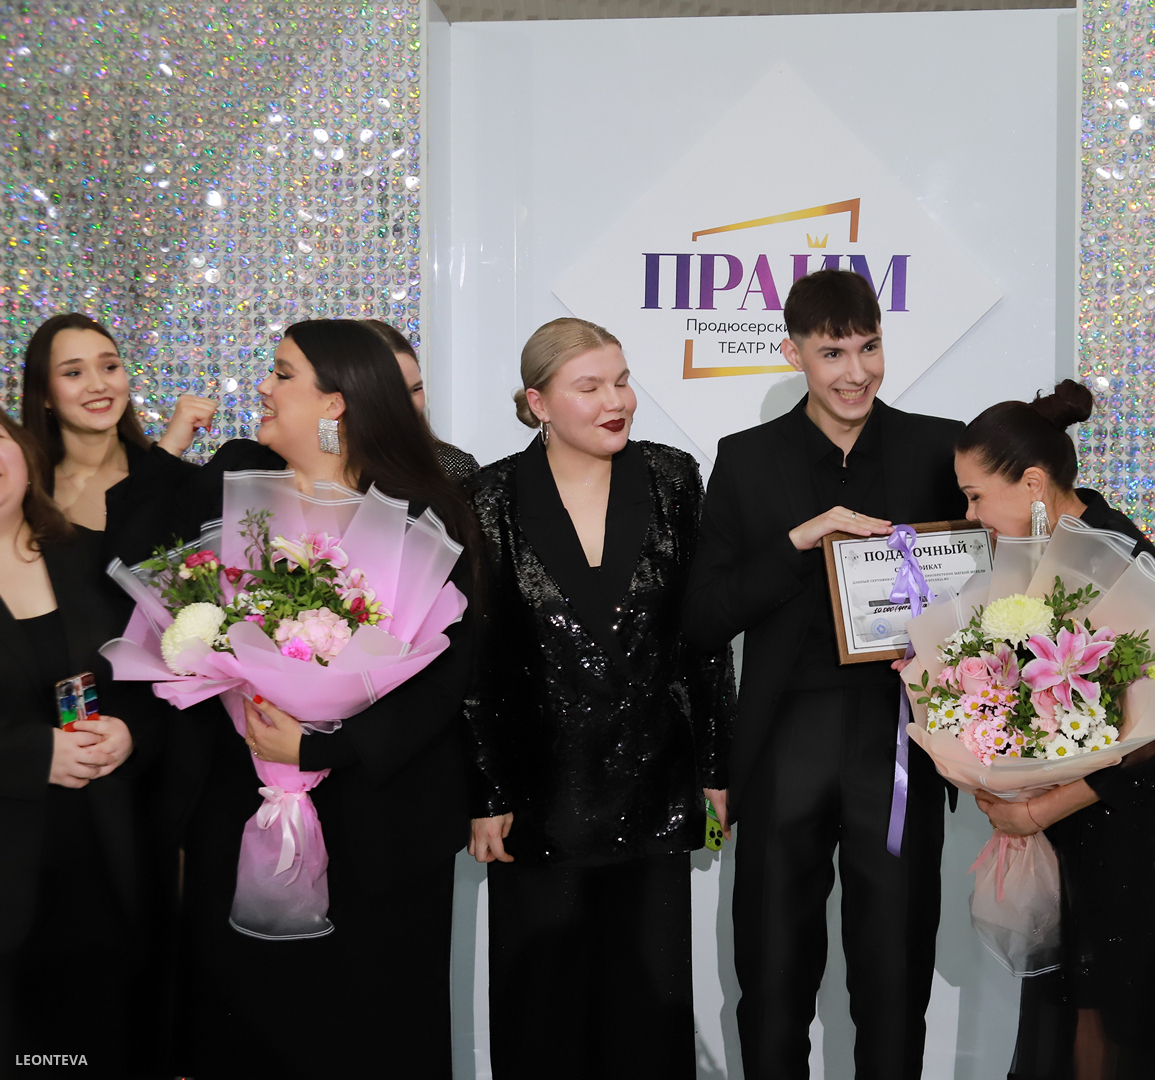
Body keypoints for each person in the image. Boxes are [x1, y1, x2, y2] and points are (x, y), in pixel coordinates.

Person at [122, 319, 480, 1079]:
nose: (263, 387)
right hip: (238, 803)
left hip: (380, 820)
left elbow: (451, 673)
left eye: (282, 373)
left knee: (372, 1031)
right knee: (248, 1027)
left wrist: (320, 746)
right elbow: (142, 571)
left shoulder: (428, 508)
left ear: (335, 402)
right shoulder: (230, 488)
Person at [682, 269, 965, 1080]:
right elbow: (702, 619)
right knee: (772, 973)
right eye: (832, 352)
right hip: (784, 740)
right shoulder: (746, 461)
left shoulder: (938, 449)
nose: (856, 372)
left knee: (895, 970)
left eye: (869, 347)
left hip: (900, 741)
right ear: (793, 353)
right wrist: (796, 545)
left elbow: (989, 581)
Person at [462, 316, 734, 1079]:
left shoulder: (673, 477)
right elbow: (477, 659)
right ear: (538, 402)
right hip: (540, 793)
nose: (617, 401)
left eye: (621, 380)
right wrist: (486, 792)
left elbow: (702, 638)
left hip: (656, 782)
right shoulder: (489, 496)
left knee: (647, 1012)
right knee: (542, 1012)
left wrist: (717, 768)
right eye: (590, 387)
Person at [955, 383, 1155, 1080]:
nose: (970, 516)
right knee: (1079, 1012)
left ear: (1031, 484)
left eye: (974, 496)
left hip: (1132, 826)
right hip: (1081, 828)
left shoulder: (1109, 555)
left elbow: (1153, 734)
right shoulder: (1045, 547)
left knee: (1120, 1021)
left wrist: (1036, 810)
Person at [0, 410, 162, 1077]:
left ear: (22, 449)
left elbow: (157, 680)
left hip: (107, 858)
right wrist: (33, 756)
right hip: (11, 880)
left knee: (106, 1045)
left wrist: (129, 732)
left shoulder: (91, 555)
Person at [19, 311, 212, 565]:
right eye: (74, 373)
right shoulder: (22, 497)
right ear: (43, 394)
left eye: (109, 367)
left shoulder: (184, 482)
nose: (98, 385)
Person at [361, 318, 480, 480]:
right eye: (392, 393)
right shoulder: (331, 472)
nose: (408, 405)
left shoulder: (454, 466)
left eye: (416, 389)